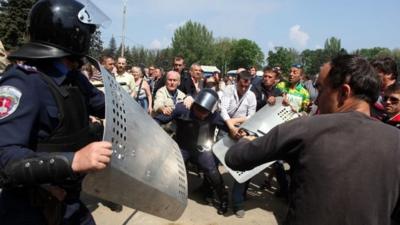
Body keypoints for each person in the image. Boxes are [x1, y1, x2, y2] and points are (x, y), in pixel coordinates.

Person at [225, 54, 400, 225]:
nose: (317, 100)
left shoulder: (305, 128)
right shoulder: (396, 141)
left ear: (344, 92)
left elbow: (235, 158)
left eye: (321, 89)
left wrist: (245, 139)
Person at [0, 1, 113, 224]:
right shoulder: (23, 82)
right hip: (30, 208)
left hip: (68, 201)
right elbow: (5, 159)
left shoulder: (74, 79)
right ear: (73, 34)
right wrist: (73, 161)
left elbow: (106, 105)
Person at [154, 89, 229, 215]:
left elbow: (227, 128)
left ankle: (223, 198)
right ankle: (165, 196)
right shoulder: (182, 108)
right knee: (172, 172)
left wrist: (238, 132)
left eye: (204, 112)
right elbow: (159, 119)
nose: (201, 114)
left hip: (202, 148)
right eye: (198, 110)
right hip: (182, 147)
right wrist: (156, 130)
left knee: (212, 172)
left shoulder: (214, 115)